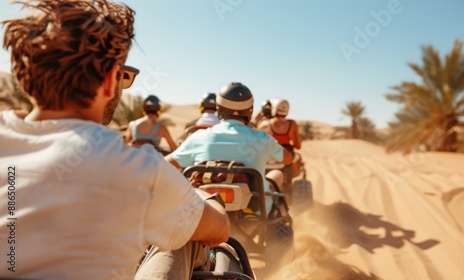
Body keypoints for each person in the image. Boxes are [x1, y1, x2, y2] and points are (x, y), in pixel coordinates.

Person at [0, 1, 229, 279]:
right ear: (110, 81)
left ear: (26, 78)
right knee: (181, 235)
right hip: (176, 197)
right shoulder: (135, 169)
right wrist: (206, 197)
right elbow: (219, 230)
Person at [166, 82, 293, 212]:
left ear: (219, 108)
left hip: (204, 213)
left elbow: (165, 164)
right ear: (249, 110)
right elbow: (288, 159)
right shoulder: (262, 138)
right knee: (276, 174)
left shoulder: (199, 137)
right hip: (255, 210)